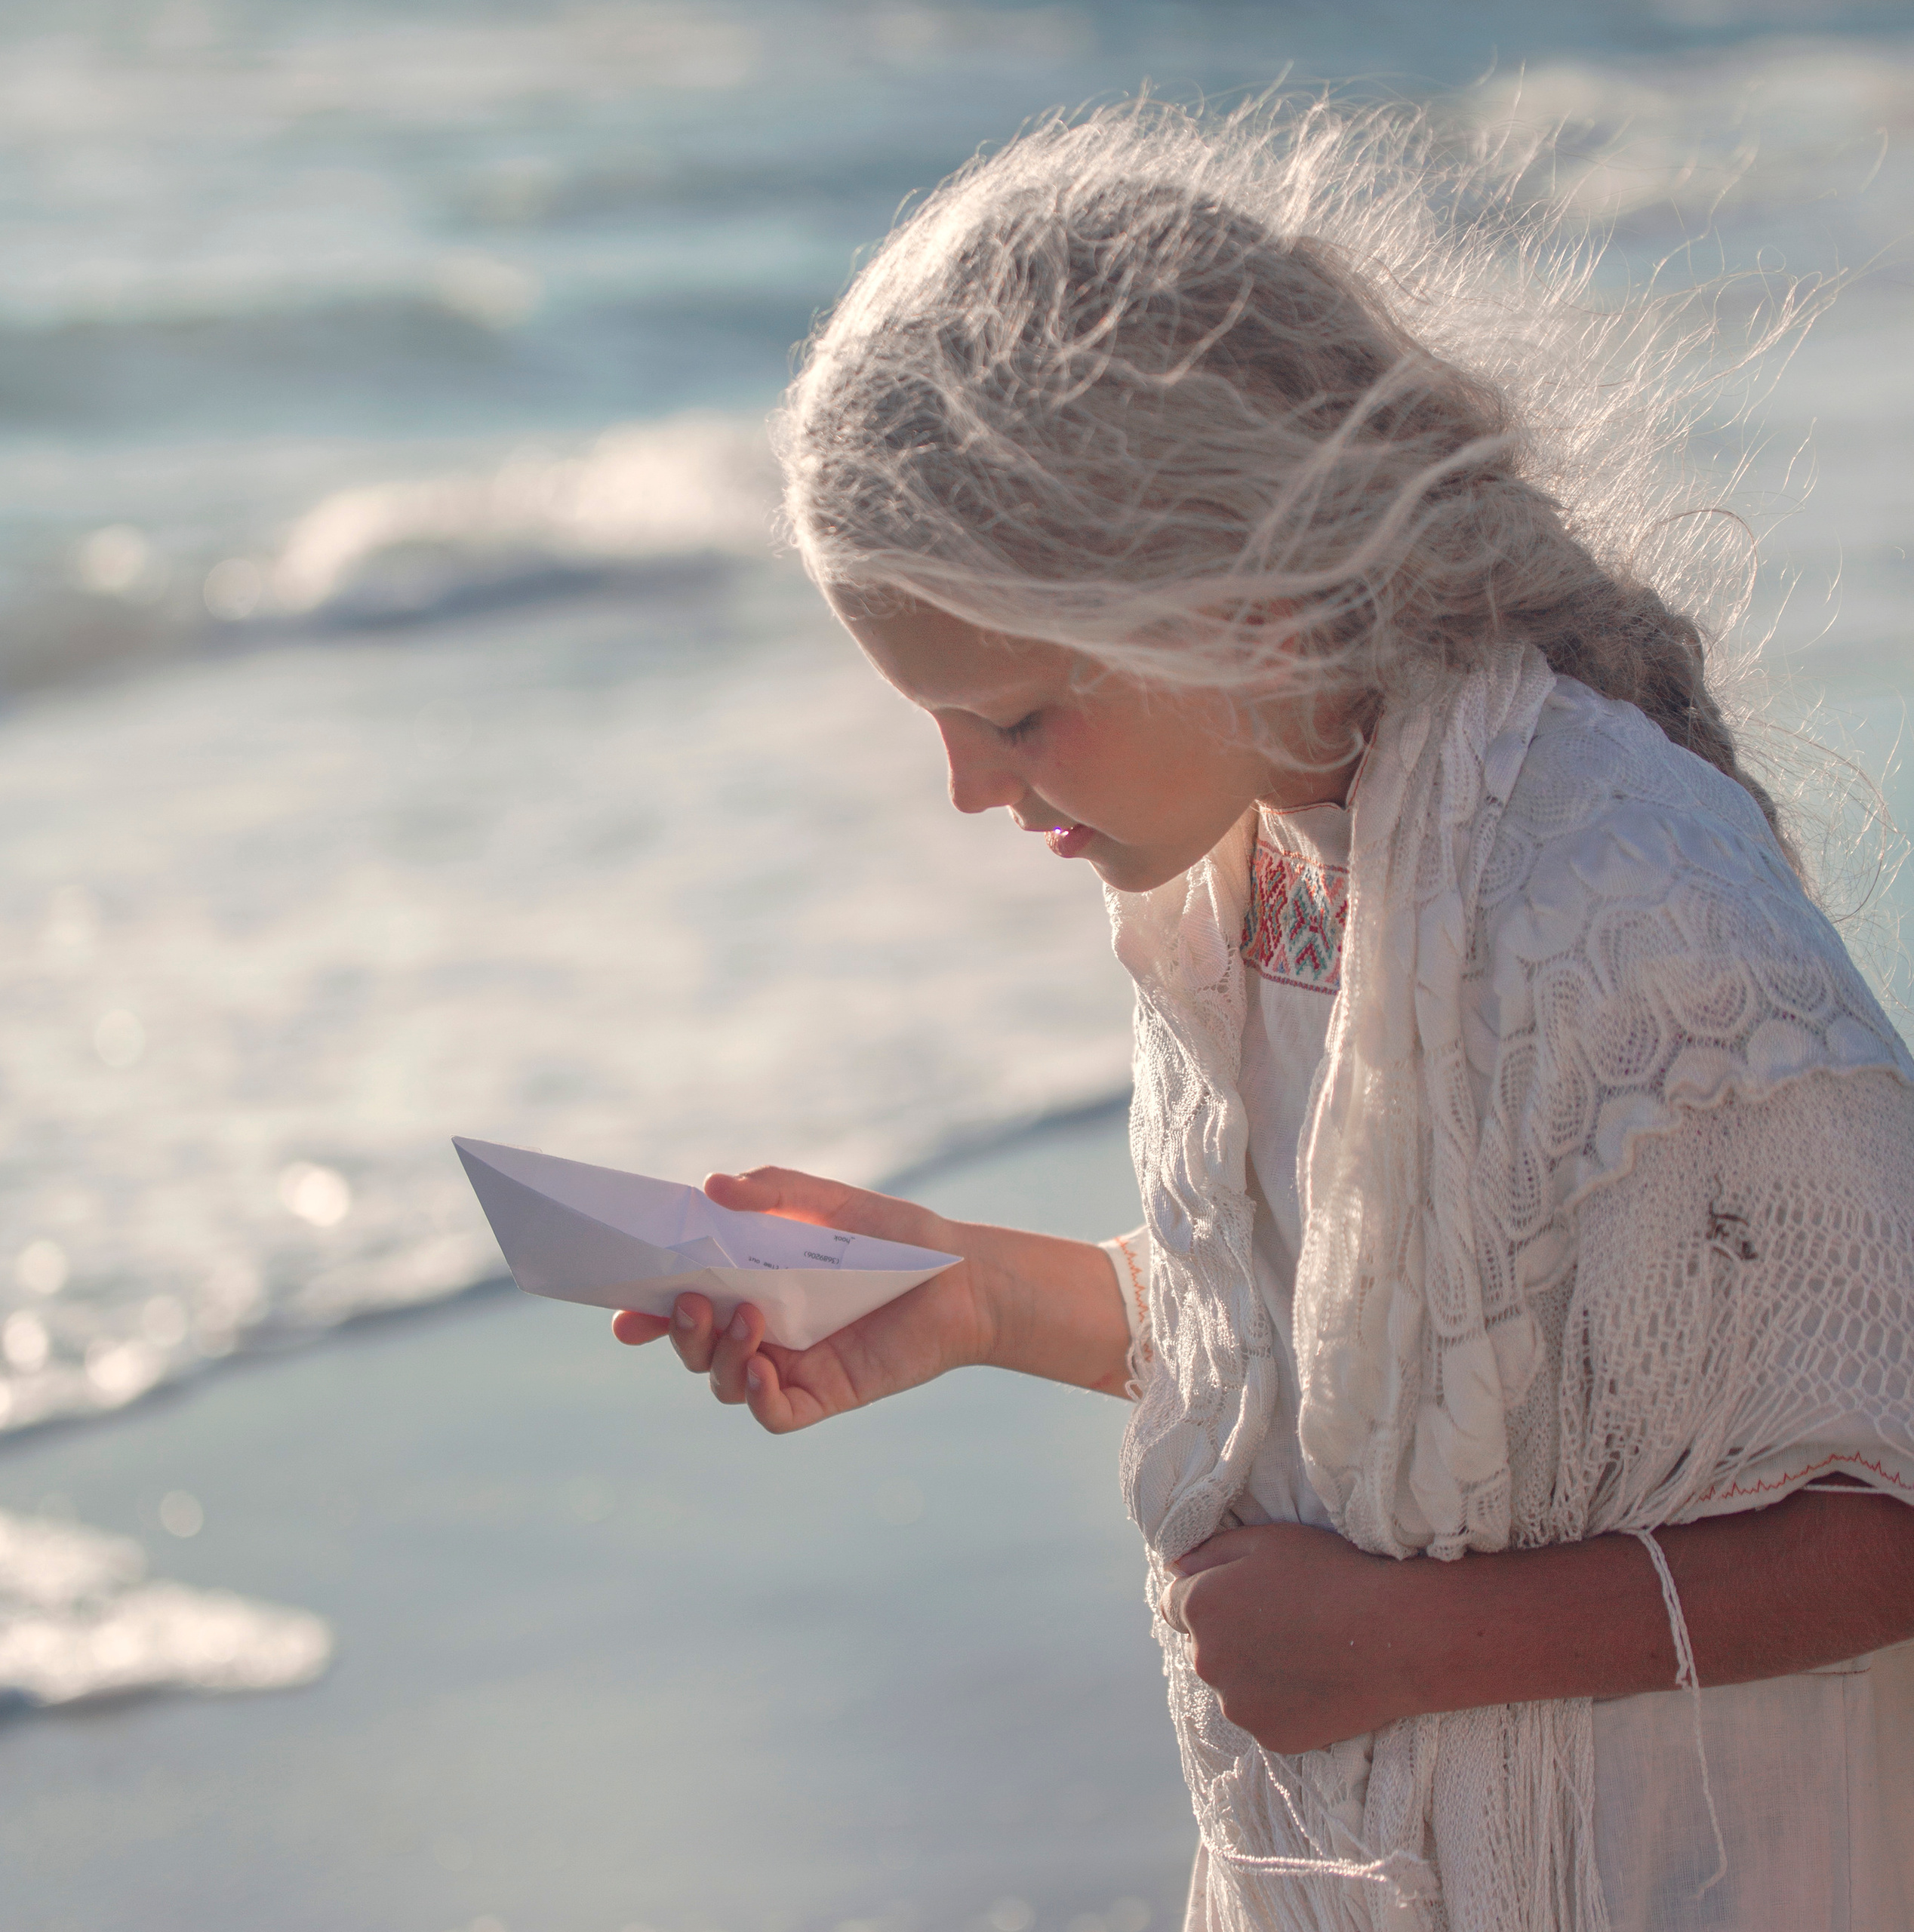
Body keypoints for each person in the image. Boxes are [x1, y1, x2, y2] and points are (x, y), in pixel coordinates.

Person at [613, 98, 1914, 1931]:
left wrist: (1412, 1645)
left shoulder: (1622, 912)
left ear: (1244, 599)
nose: (970, 795)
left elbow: (1889, 1498)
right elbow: (1389, 1342)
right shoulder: (1255, 866)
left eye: (1013, 714)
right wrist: (969, 1292)